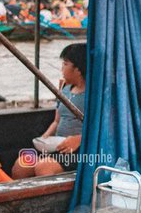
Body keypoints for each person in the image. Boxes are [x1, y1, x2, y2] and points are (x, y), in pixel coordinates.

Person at [12, 43, 87, 179]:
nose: (61, 69)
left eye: (65, 64)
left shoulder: (93, 96)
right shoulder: (64, 90)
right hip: (56, 146)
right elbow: (56, 121)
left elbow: (102, 128)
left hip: (79, 150)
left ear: (78, 69)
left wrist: (79, 139)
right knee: (21, 165)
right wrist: (44, 139)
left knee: (44, 167)